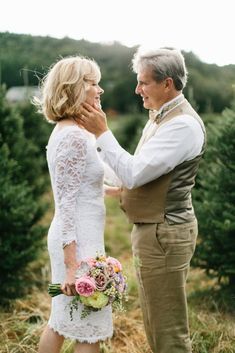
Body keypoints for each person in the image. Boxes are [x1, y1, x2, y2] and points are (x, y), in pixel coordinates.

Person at [77, 47, 206, 353]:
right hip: (153, 231)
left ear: (168, 83)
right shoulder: (159, 119)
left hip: (164, 233)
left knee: (168, 331)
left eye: (143, 82)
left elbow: (133, 173)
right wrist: (89, 158)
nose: (137, 89)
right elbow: (131, 174)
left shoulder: (181, 126)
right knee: (154, 321)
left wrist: (102, 133)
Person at [34, 56, 113, 353]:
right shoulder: (75, 138)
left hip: (81, 238)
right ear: (73, 89)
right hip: (77, 244)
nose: (99, 90)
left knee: (63, 320)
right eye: (92, 83)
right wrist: (71, 267)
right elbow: (66, 204)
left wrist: (116, 192)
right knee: (87, 330)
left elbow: (79, 187)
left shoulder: (72, 131)